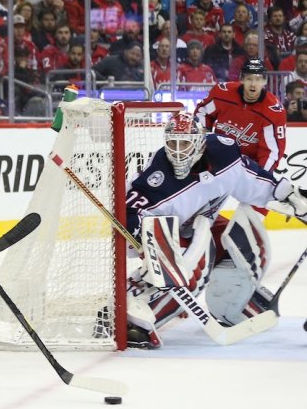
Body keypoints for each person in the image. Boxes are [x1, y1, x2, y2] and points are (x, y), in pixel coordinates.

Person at [123, 112, 306, 349]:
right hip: (168, 234)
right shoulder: (156, 179)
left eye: (185, 143)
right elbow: (130, 213)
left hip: (201, 224)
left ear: (199, 141)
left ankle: (234, 304)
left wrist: (289, 195)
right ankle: (134, 316)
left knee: (240, 245)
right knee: (190, 272)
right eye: (172, 143)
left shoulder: (223, 154)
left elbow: (252, 179)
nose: (178, 151)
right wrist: (139, 237)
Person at [194, 59, 287, 173]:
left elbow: (271, 153)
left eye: (258, 79)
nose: (253, 84)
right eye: (249, 78)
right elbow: (202, 112)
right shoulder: (222, 93)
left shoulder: (273, 111)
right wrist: (204, 139)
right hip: (216, 159)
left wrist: (260, 176)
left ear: (264, 81)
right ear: (242, 79)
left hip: (248, 167)